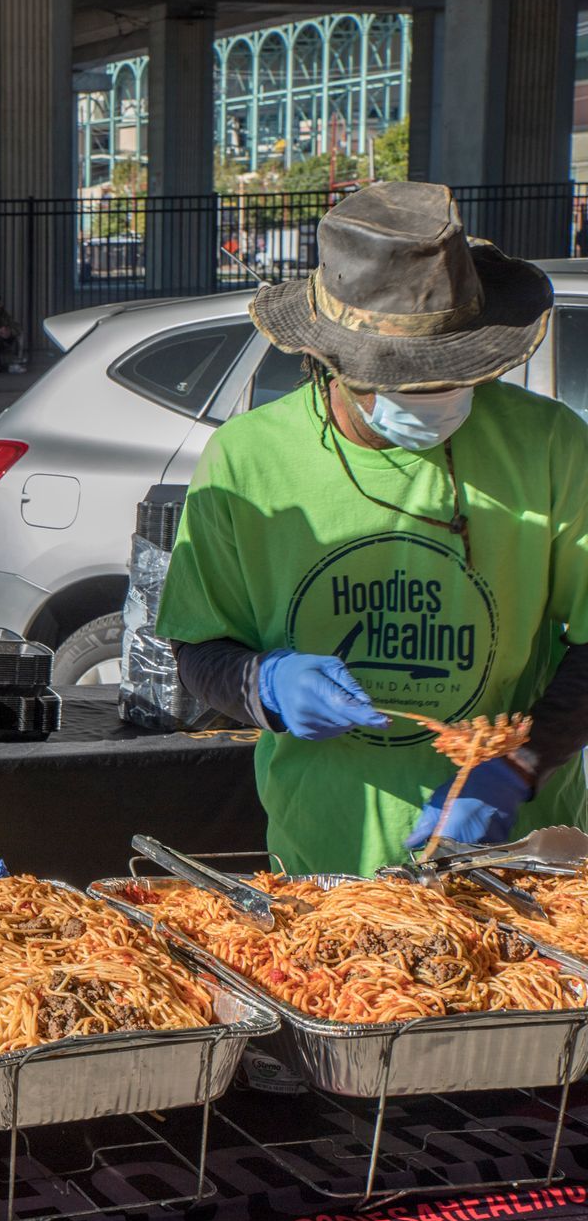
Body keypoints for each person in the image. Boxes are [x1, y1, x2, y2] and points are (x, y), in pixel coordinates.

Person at [159, 181, 588, 876]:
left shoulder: (552, 447)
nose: (438, 402)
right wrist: (263, 684)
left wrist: (518, 763)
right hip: (327, 864)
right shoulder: (248, 459)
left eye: (455, 378)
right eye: (408, 385)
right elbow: (196, 650)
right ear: (335, 363)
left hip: (519, 867)